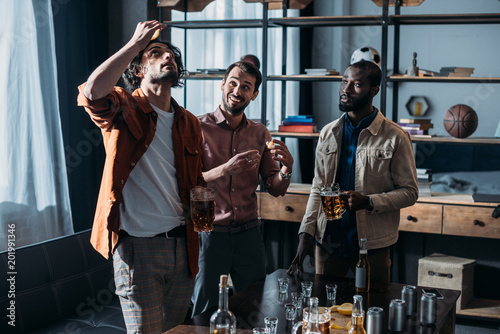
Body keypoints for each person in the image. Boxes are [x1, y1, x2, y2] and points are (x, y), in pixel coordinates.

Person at [77, 20, 205, 333]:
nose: (168, 58)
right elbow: (92, 91)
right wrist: (136, 43)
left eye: (172, 56)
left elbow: (196, 182)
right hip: (139, 248)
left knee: (177, 331)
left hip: (184, 245)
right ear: (138, 70)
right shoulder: (123, 105)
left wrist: (202, 229)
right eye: (156, 53)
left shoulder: (189, 121)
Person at [287, 60, 418, 283]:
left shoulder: (396, 136)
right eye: (344, 82)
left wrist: (368, 201)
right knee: (325, 311)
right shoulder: (328, 132)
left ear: (374, 90)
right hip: (327, 242)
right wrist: (305, 234)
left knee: (372, 310)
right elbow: (318, 188)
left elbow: (410, 192)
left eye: (356, 85)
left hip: (372, 245)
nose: (345, 90)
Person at [191, 61, 294, 316]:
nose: (238, 90)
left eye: (246, 87)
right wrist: (225, 169)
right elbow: (189, 182)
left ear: (254, 95)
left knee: (255, 306)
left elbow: (275, 188)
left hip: (249, 234)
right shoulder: (197, 127)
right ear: (223, 85)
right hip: (210, 235)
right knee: (205, 308)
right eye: (233, 83)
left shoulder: (260, 133)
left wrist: (286, 169)